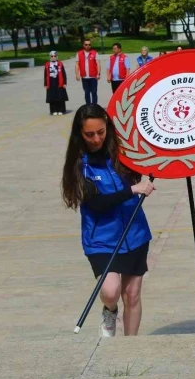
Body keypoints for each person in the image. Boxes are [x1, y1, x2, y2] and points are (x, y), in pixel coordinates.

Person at [62, 104, 155, 337]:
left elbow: (147, 158)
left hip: (135, 234)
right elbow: (97, 204)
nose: (96, 139)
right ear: (80, 134)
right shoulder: (79, 166)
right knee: (111, 291)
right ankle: (109, 311)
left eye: (101, 132)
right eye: (89, 134)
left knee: (132, 294)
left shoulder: (121, 153)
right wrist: (133, 190)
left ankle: (129, 347)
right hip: (101, 239)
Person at [75, 39, 100, 105]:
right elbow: (77, 64)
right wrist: (77, 74)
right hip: (84, 77)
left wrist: (98, 74)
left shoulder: (94, 53)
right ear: (83, 45)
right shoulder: (79, 53)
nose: (88, 46)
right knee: (87, 92)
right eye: (86, 44)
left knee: (94, 92)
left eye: (89, 44)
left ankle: (94, 106)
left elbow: (98, 64)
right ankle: (88, 106)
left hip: (93, 76)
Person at [44, 50, 68, 115]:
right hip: (51, 82)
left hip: (59, 82)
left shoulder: (60, 64)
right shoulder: (47, 65)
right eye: (52, 56)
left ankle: (61, 110)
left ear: (57, 56)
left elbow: (63, 73)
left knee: (60, 96)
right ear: (50, 57)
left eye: (55, 56)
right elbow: (45, 75)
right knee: (52, 97)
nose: (53, 57)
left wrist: (65, 83)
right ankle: (53, 110)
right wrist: (45, 84)